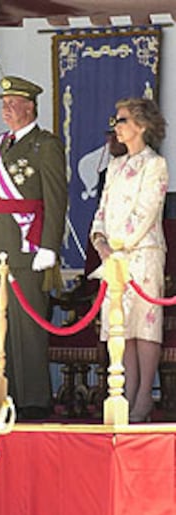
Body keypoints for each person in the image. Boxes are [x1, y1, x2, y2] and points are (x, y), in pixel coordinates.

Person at [0, 76, 68, 420]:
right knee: (3, 326)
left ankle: (34, 399)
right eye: (3, 101)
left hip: (28, 246)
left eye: (12, 102)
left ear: (30, 107)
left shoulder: (44, 145)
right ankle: (11, 395)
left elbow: (55, 198)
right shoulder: (1, 143)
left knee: (27, 327)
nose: (5, 107)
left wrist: (49, 246)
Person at [90, 97, 168, 423]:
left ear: (142, 125)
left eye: (122, 120)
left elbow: (146, 212)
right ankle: (126, 393)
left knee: (144, 327)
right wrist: (100, 241)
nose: (117, 126)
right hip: (114, 259)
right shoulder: (115, 166)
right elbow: (102, 211)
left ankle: (143, 397)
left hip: (143, 256)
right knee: (124, 329)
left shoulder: (155, 165)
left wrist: (119, 246)